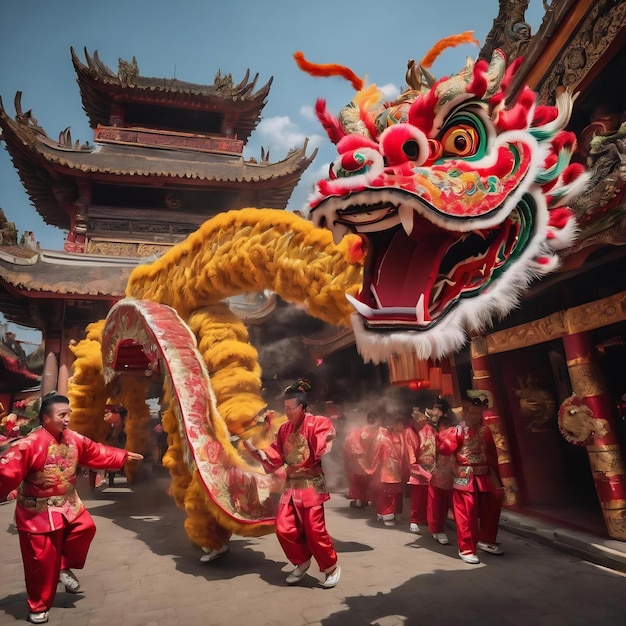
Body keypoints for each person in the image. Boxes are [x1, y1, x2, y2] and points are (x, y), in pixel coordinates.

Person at [0, 394, 143, 624]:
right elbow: (7, 472)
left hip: (68, 504)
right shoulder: (29, 444)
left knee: (85, 528)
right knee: (40, 562)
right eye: (62, 415)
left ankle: (62, 567)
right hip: (37, 512)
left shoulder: (73, 438)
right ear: (46, 417)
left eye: (69, 415)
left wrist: (123, 455)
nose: (67, 419)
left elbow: (95, 450)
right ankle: (38, 606)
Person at [244, 379, 341, 588]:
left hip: (312, 483)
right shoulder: (285, 429)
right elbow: (276, 454)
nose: (286, 412)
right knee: (283, 527)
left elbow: (324, 437)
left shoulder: (316, 423)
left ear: (302, 407)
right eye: (285, 408)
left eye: (290, 408)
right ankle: (302, 561)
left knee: (315, 530)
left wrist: (320, 438)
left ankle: (331, 567)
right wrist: (256, 450)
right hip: (292, 484)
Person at [437, 389, 504, 564]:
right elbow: (444, 449)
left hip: (484, 475)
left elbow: (492, 455)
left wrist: (497, 478)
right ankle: (466, 547)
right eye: (472, 412)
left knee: (493, 502)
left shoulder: (485, 431)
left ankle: (487, 539)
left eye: (478, 412)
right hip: (465, 477)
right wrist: (447, 437)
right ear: (465, 412)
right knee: (467, 512)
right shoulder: (457, 431)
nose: (476, 416)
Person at [426, 396, 456, 545]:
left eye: (436, 408)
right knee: (437, 501)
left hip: (448, 467)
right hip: (437, 468)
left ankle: (439, 527)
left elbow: (446, 446)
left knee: (442, 500)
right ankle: (437, 529)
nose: (433, 411)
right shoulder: (434, 425)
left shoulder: (446, 425)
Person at [369, 413, 405, 527]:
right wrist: (374, 467)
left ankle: (388, 513)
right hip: (386, 470)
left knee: (394, 493)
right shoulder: (381, 437)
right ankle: (386, 514)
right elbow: (375, 454)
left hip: (397, 470)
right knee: (387, 494)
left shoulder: (397, 436)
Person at [404, 407, 436, 534]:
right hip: (419, 466)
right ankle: (415, 520)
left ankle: (427, 519)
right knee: (418, 496)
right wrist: (413, 466)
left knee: (430, 497)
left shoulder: (432, 429)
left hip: (433, 467)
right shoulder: (410, 431)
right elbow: (409, 449)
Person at [343, 411, 379, 509]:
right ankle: (362, 500)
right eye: (369, 418)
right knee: (361, 481)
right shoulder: (364, 429)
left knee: (370, 482)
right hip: (364, 460)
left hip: (372, 460)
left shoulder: (379, 431)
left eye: (373, 418)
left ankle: (367, 500)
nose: (371, 420)